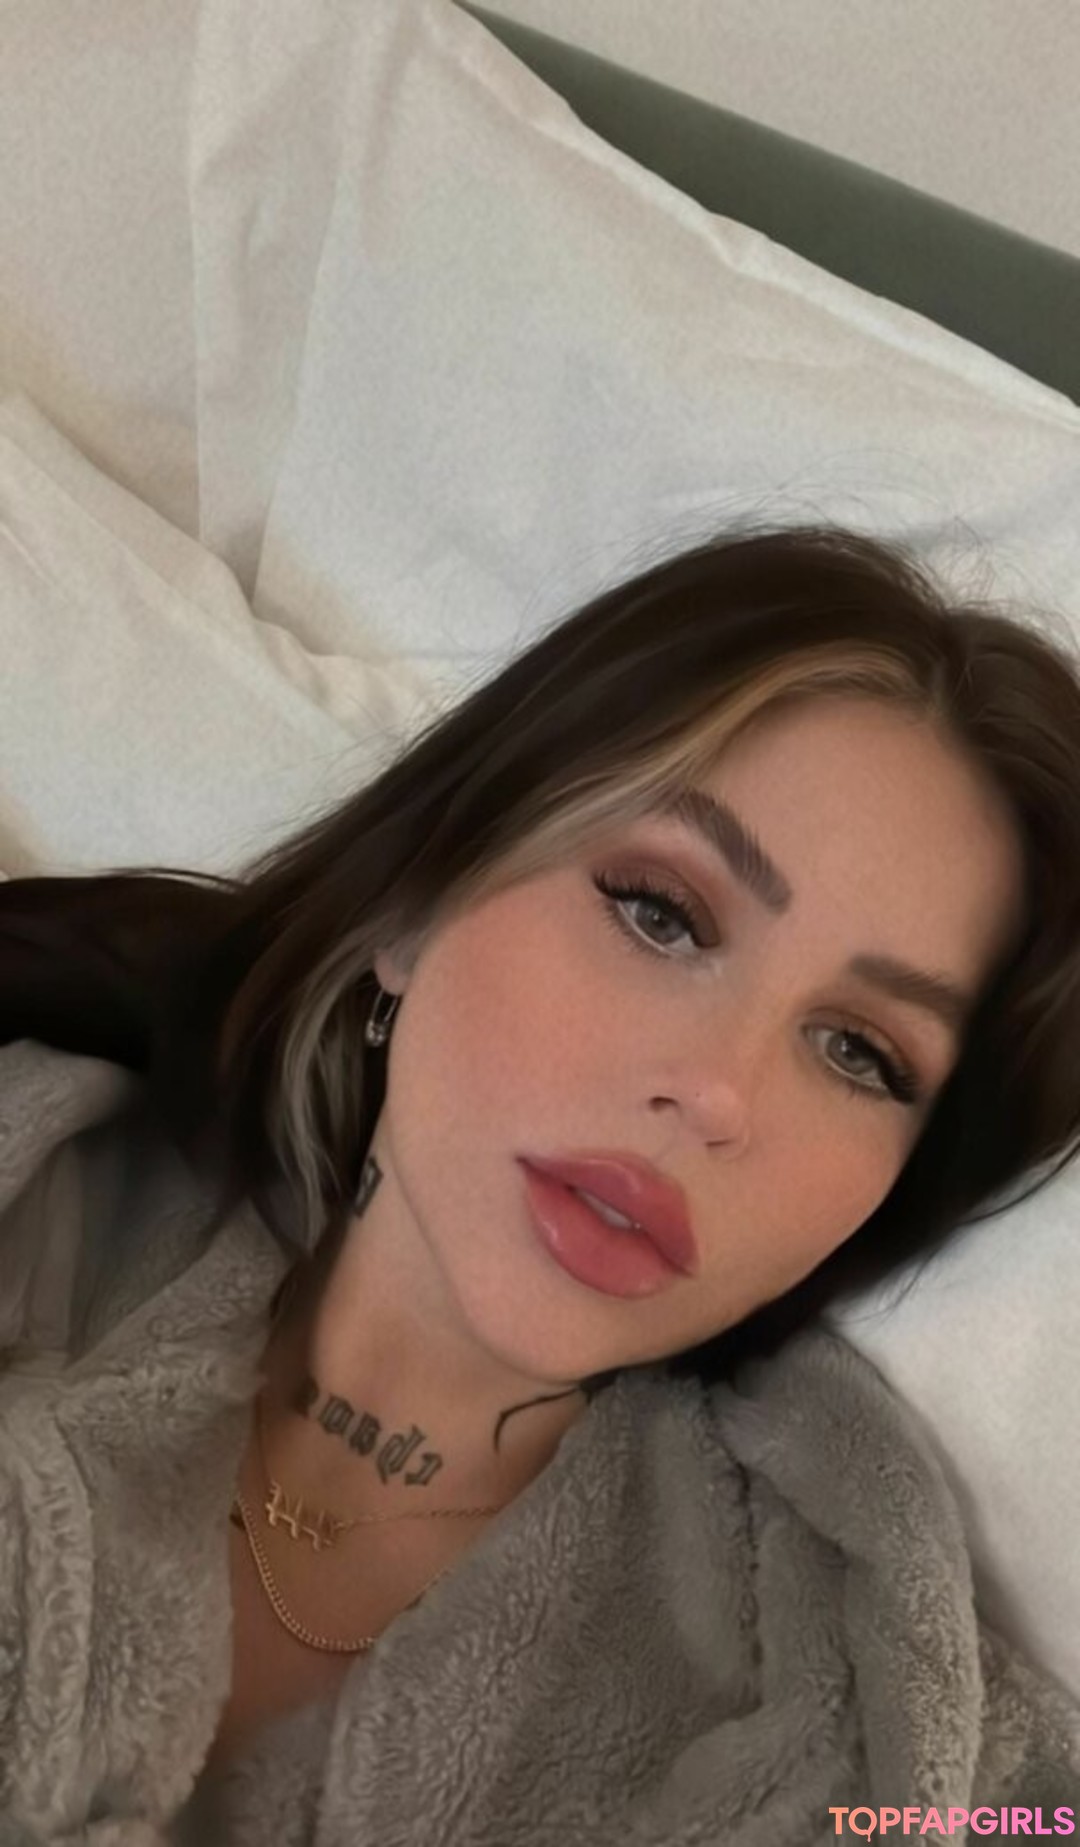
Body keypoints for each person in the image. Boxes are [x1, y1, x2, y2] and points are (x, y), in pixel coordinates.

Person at [2, 522, 1080, 1840]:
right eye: (660, 914)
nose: (720, 1094)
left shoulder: (856, 1701)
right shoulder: (34, 1179)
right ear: (414, 905)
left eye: (859, 1052)